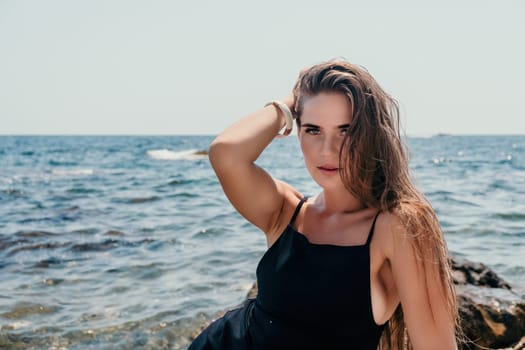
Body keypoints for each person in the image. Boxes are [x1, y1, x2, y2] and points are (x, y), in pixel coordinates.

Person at [189, 59, 460, 349]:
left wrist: (306, 103)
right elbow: (226, 153)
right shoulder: (286, 212)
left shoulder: (399, 225)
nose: (328, 150)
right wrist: (291, 102)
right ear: (298, 131)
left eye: (346, 130)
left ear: (371, 134)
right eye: (313, 130)